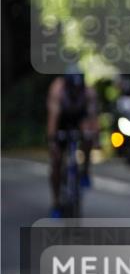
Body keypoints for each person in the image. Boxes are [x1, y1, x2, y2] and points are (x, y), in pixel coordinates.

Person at [46, 63, 99, 217]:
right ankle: (56, 203)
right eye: (73, 88)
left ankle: (85, 171)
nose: (76, 90)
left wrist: (94, 137)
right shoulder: (57, 90)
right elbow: (53, 119)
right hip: (61, 120)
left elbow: (93, 118)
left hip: (79, 119)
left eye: (79, 87)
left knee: (88, 137)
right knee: (56, 162)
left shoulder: (89, 93)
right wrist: (52, 141)